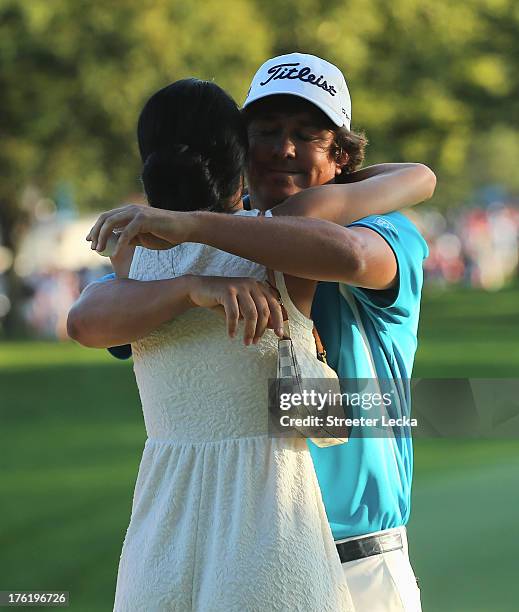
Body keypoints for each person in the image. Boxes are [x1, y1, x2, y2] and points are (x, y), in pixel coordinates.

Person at [69, 54, 435, 611]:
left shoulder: (383, 229)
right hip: (242, 548)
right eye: (266, 132)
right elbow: (95, 313)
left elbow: (349, 256)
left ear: (340, 153)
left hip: (356, 558)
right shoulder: (197, 251)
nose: (283, 149)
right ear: (238, 146)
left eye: (306, 135)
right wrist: (188, 276)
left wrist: (188, 224)